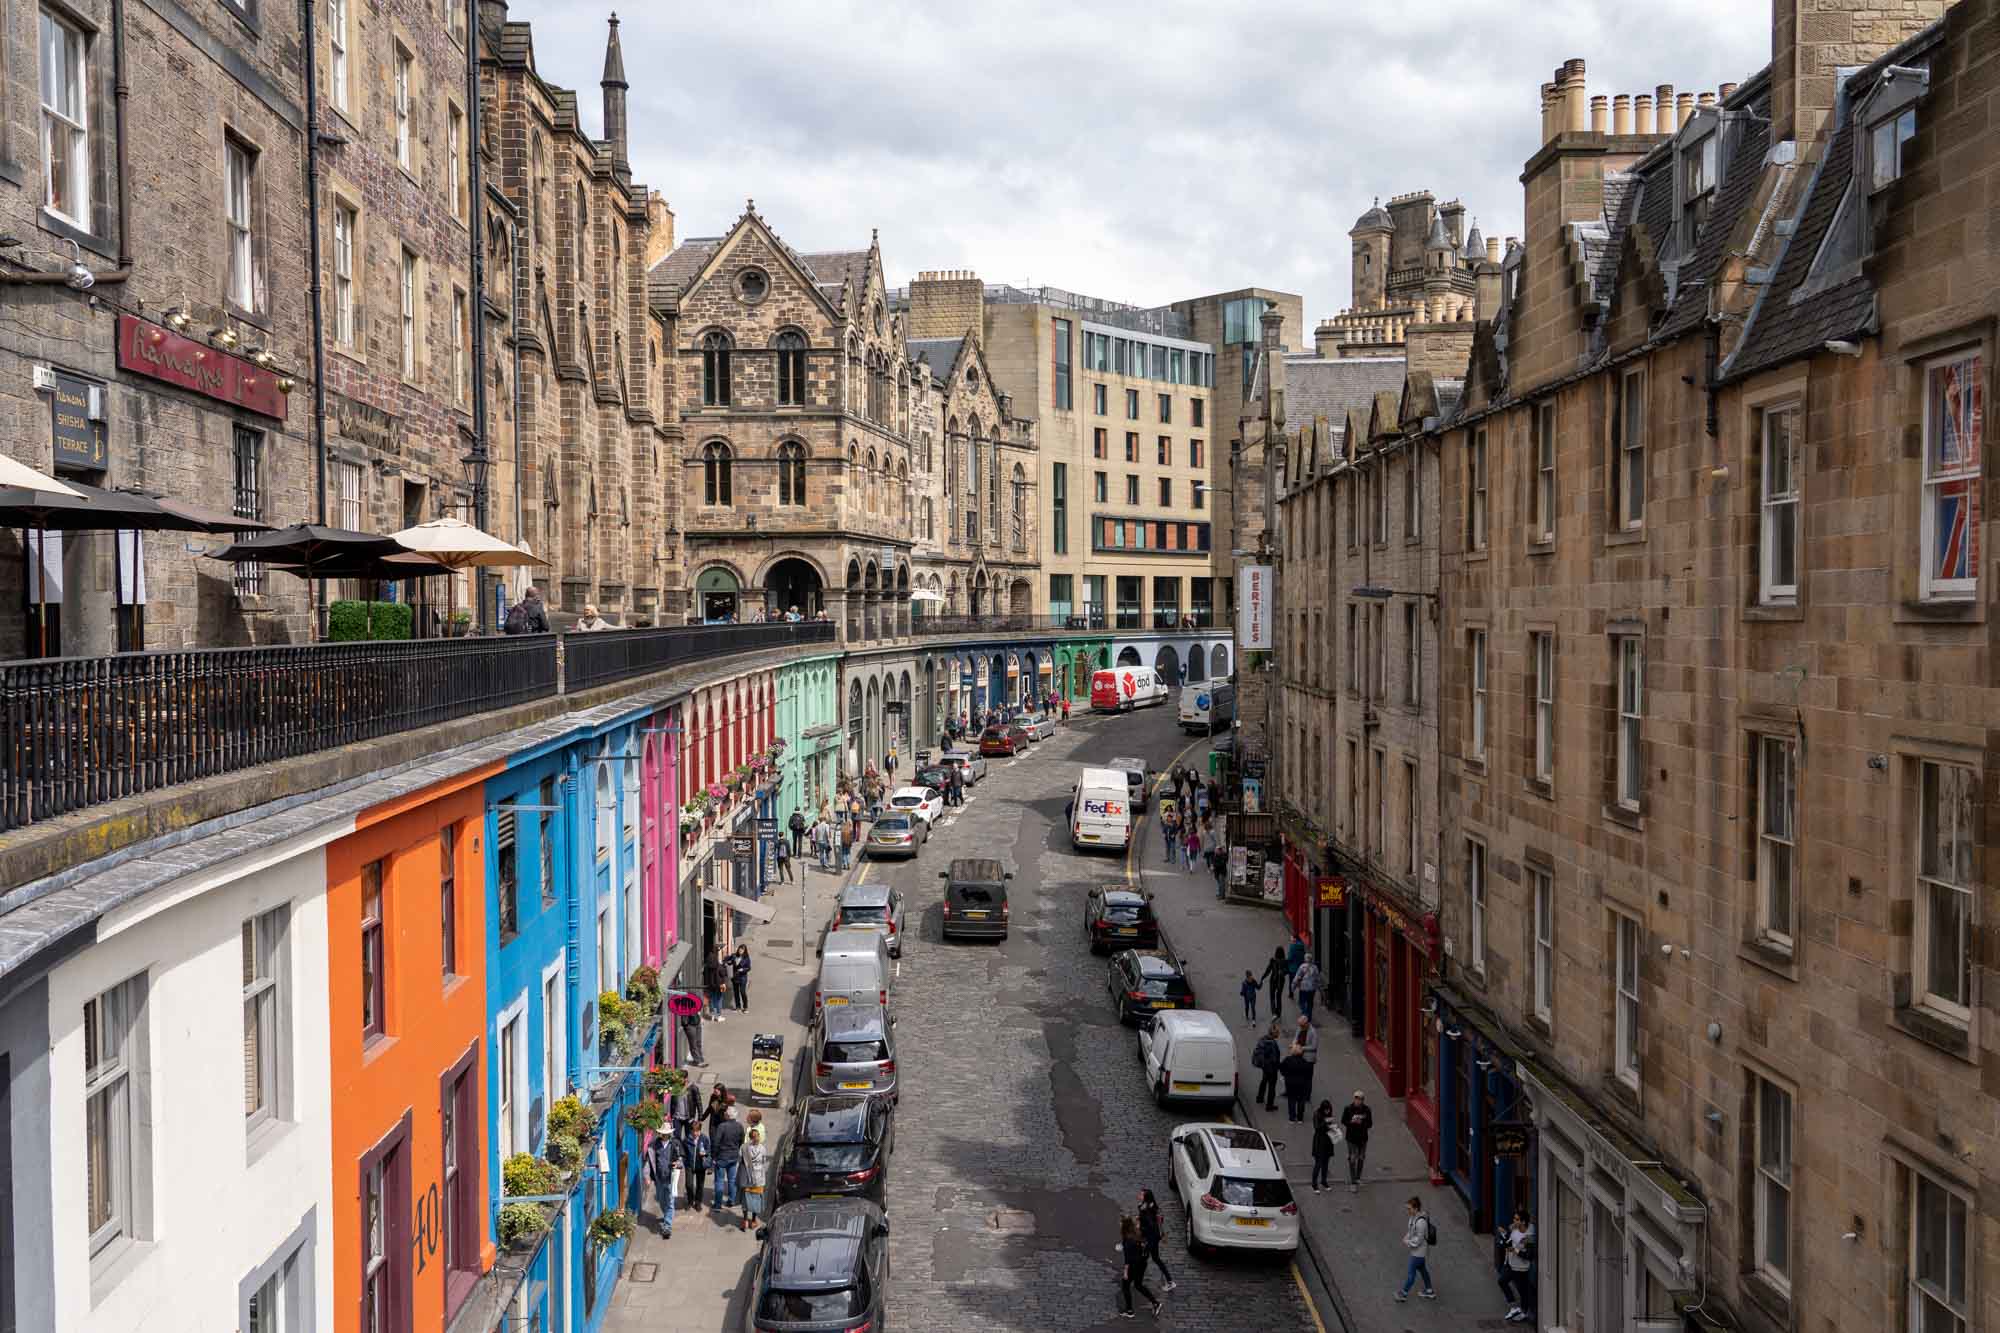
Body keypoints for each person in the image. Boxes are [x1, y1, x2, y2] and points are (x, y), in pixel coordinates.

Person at [1117, 1215, 1161, 1319]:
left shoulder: (1128, 1239)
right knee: (1138, 1285)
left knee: (1125, 1286)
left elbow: (1128, 1259)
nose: (1119, 1224)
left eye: (1121, 1223)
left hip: (1134, 1265)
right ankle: (1155, 1303)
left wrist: (1125, 1272)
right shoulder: (1136, 1233)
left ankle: (1129, 1311)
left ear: (1125, 1226)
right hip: (1142, 1263)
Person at [1500, 1208, 1537, 1322]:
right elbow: (1509, 1241)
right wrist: (1504, 1234)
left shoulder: (1528, 1237)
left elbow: (1529, 1256)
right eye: (1514, 1218)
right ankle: (1514, 1307)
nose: (1513, 1221)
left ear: (1523, 1222)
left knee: (1523, 1291)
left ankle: (1524, 1312)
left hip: (1521, 1268)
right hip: (1510, 1264)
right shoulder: (1514, 1228)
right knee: (1502, 1281)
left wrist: (1514, 1250)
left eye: (1516, 1219)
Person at [1135, 1189, 1176, 1292]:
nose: (1139, 1195)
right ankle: (1170, 1281)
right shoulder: (1148, 1206)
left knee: (1143, 1258)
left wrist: (1140, 1224)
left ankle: (1137, 1280)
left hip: (1151, 1238)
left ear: (1146, 1197)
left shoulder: (1146, 1209)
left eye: (1141, 1194)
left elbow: (1150, 1224)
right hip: (1154, 1237)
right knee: (1155, 1258)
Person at [1397, 1196, 1437, 1301]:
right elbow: (1411, 1231)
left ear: (1416, 1208)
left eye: (1409, 1209)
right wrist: (1406, 1237)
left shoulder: (1420, 1222)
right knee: (1423, 1271)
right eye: (1407, 1209)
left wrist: (1408, 1242)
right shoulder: (1413, 1217)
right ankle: (1429, 1291)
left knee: (1411, 1274)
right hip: (1419, 1252)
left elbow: (1418, 1240)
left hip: (1418, 1253)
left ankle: (1403, 1294)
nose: (1408, 1211)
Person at [712, 1105, 746, 1225]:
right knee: (732, 1180)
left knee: (719, 1181)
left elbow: (716, 1142)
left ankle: (717, 1204)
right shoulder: (740, 1126)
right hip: (733, 1157)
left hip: (722, 1157)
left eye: (726, 1113)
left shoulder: (722, 1127)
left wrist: (714, 1156)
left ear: (728, 1115)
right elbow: (742, 1140)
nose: (725, 1113)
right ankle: (731, 1200)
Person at [647, 1128, 683, 1238]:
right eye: (663, 1133)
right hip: (659, 1178)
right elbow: (649, 1162)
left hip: (670, 1178)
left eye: (667, 1133)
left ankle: (667, 1226)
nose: (665, 1135)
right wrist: (647, 1176)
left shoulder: (675, 1144)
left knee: (670, 1202)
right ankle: (667, 1215)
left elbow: (681, 1159)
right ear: (660, 1133)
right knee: (661, 1200)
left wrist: (678, 1164)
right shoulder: (654, 1145)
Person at [1340, 1091, 1375, 1192]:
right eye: (1356, 1098)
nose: (1358, 1101)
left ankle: (1358, 1177)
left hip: (1363, 1138)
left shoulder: (1367, 1110)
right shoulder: (1348, 1109)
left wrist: (1361, 1123)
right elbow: (1343, 1121)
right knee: (1352, 1158)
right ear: (1354, 1099)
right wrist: (1352, 1122)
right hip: (1351, 1138)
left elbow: (1370, 1124)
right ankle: (1353, 1182)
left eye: (1360, 1099)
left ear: (1363, 1100)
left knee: (1361, 1158)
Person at [742, 1117, 770, 1232]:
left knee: (745, 1200)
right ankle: (753, 1221)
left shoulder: (744, 1148)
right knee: (756, 1200)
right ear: (758, 1137)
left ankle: (744, 1220)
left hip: (748, 1177)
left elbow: (742, 1160)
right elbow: (763, 1161)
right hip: (758, 1178)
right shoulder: (762, 1148)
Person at [1279, 1042, 1314, 1123]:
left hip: (1290, 1083)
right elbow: (1308, 1075)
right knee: (1301, 1101)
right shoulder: (1305, 1062)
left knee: (1291, 1100)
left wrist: (1285, 1075)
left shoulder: (1288, 1060)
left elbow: (1281, 1068)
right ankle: (1300, 1118)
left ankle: (1292, 1117)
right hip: (1302, 1084)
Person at [1251, 1022, 1282, 1112]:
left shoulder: (1263, 1039)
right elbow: (1274, 1059)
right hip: (1271, 1068)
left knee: (1264, 1081)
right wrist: (1278, 1066)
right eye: (1278, 1033)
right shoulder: (1272, 1044)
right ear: (1274, 1034)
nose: (1279, 1034)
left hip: (1264, 1066)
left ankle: (1259, 1098)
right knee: (1272, 1086)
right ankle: (1269, 1105)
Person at [1311, 1100, 1338, 1193]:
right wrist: (1325, 1122)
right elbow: (1317, 1127)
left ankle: (1324, 1181)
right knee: (1318, 1163)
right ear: (1322, 1109)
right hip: (1319, 1142)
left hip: (1328, 1141)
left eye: (1329, 1110)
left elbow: (1331, 1126)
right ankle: (1314, 1184)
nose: (1328, 1112)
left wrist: (1334, 1128)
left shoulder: (1329, 1114)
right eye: (1326, 1110)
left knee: (1326, 1164)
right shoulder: (1317, 1114)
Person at [684, 1121, 711, 1212]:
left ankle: (698, 1202)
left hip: (700, 1166)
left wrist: (705, 1153)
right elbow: (683, 1152)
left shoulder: (704, 1138)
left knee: (700, 1185)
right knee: (689, 1184)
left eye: (697, 1131)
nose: (695, 1133)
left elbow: (709, 1150)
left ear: (700, 1130)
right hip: (689, 1165)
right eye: (693, 1131)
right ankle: (690, 1201)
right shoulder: (687, 1139)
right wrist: (684, 1161)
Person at [1260, 946, 1288, 1019]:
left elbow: (1268, 970)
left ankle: (1274, 1013)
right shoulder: (1284, 961)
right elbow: (1287, 970)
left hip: (1273, 980)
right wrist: (1283, 972)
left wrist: (1263, 977)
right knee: (1278, 997)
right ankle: (1279, 1012)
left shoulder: (1273, 960)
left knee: (1272, 997)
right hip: (1281, 981)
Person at [1293, 955, 1322, 1024]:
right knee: (1310, 1003)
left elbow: (1297, 977)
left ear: (1305, 959)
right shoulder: (1315, 967)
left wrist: (1293, 986)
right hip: (1312, 988)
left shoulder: (1302, 966)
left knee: (1302, 1002)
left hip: (1303, 988)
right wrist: (1319, 987)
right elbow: (1317, 978)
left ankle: (1304, 1014)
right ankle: (1309, 1017)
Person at [731, 943, 752, 1011]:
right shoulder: (734, 956)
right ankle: (738, 1006)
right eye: (740, 949)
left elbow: (749, 968)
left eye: (742, 950)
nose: (741, 951)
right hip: (735, 977)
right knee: (736, 992)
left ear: (744, 951)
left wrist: (743, 969)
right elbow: (730, 962)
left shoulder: (746, 958)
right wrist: (727, 962)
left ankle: (745, 1007)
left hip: (742, 978)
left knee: (742, 991)